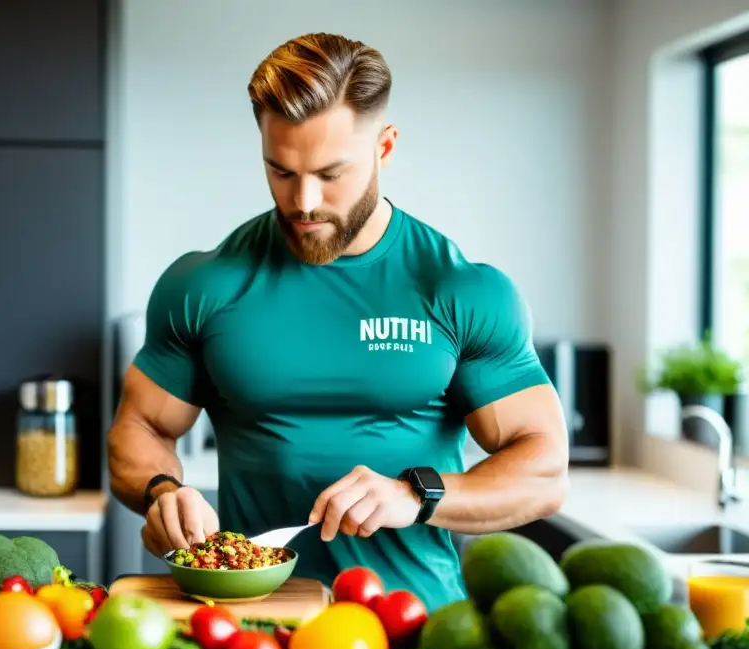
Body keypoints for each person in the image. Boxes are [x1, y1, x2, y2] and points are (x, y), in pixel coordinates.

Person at [107, 32, 569, 610]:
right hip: (255, 625)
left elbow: (544, 471)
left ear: (386, 147)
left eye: (330, 174)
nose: (302, 201)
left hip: (414, 626)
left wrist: (415, 495)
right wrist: (162, 493)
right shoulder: (205, 283)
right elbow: (140, 428)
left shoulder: (460, 289)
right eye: (280, 171)